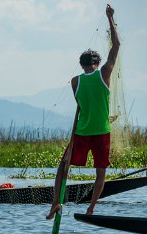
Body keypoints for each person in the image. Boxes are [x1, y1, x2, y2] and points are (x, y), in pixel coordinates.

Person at [47, 4, 119, 219]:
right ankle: (91, 209)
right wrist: (110, 19)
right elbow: (116, 46)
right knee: (100, 173)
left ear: (82, 64)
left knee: (63, 166)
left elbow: (82, 104)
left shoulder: (75, 81)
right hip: (101, 131)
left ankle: (55, 203)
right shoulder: (104, 73)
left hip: (82, 131)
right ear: (97, 63)